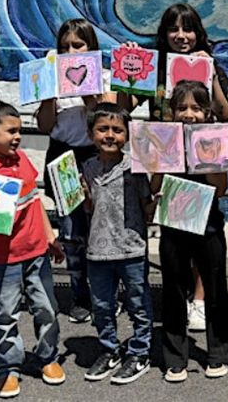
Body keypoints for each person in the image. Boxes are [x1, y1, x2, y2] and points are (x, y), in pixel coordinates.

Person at [120, 3, 228, 332]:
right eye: (174, 29)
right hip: (165, 161)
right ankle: (180, 298)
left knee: (205, 233)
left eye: (188, 29)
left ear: (198, 33)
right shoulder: (155, 68)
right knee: (175, 240)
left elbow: (224, 112)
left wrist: (210, 72)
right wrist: (129, 68)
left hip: (203, 160)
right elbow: (124, 108)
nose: (181, 36)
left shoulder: (209, 64)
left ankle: (199, 299)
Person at [0, 100, 65, 398]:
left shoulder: (21, 159)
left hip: (36, 252)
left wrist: (50, 236)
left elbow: (35, 201)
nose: (17, 137)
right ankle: (8, 367)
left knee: (46, 308)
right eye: (11, 131)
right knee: (5, 314)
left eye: (19, 130)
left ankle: (47, 356)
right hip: (1, 259)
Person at [155, 81, 228, 382]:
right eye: (182, 108)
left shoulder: (215, 140)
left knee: (215, 289)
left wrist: (204, 155)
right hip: (173, 223)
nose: (189, 114)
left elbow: (221, 188)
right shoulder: (163, 139)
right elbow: (155, 183)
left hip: (209, 224)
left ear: (207, 113)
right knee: (173, 289)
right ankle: (175, 357)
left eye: (196, 108)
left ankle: (219, 353)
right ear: (172, 112)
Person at [79, 103, 155, 384]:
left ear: (127, 135)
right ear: (91, 134)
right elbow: (88, 208)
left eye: (117, 130)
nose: (110, 135)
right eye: (103, 129)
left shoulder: (136, 167)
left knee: (138, 303)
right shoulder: (86, 168)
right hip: (97, 250)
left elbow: (147, 206)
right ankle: (109, 348)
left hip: (131, 247)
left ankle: (140, 351)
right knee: (101, 305)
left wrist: (162, 201)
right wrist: (81, 195)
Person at [37, 19, 101, 324]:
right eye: (65, 47)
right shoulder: (52, 78)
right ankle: (80, 296)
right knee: (72, 232)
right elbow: (45, 126)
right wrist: (50, 93)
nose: (71, 52)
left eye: (78, 45)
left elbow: (104, 120)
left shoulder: (103, 76)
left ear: (91, 46)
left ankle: (105, 294)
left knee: (99, 230)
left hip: (95, 157)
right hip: (63, 156)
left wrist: (89, 90)